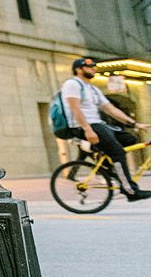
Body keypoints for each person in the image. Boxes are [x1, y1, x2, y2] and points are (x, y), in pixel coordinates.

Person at [62, 56, 149, 201]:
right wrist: (87, 129)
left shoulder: (93, 88)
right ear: (78, 69)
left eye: (93, 66)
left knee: (130, 139)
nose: (93, 69)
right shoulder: (72, 84)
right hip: (83, 125)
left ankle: (106, 164)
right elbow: (75, 108)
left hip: (99, 124)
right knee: (117, 152)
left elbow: (110, 108)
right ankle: (130, 191)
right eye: (88, 66)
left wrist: (134, 124)